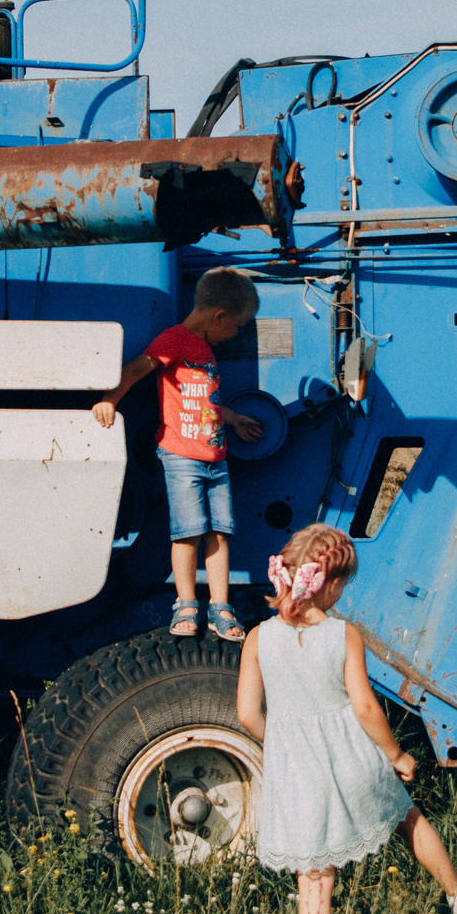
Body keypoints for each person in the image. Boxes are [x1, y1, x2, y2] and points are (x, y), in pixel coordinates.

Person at [237, 523, 457, 914]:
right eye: (343, 584)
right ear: (329, 584)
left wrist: (285, 742)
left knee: (314, 872)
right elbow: (366, 706)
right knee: (404, 816)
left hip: (296, 768)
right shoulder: (342, 634)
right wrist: (395, 754)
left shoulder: (258, 639)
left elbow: (247, 716)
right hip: (350, 755)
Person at [92, 267, 265, 640]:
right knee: (187, 532)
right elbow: (138, 369)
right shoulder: (174, 341)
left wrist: (233, 420)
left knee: (219, 532)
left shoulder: (205, 353)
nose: (235, 334)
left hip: (215, 458)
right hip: (181, 456)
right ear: (219, 316)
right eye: (236, 326)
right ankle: (186, 602)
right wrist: (109, 400)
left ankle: (221, 606)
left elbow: (206, 403)